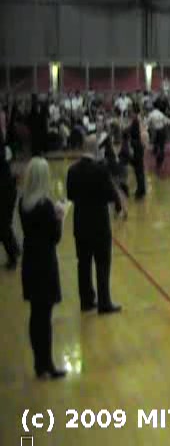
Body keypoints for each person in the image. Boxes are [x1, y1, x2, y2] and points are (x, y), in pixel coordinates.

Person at [19, 158, 67, 379]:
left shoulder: (24, 203)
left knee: (35, 314)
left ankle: (39, 362)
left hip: (30, 261)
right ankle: (47, 363)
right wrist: (60, 218)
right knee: (45, 317)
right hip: (45, 263)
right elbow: (54, 237)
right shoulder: (45, 205)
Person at [66, 134, 124, 314]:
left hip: (80, 224)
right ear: (96, 150)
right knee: (102, 263)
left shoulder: (72, 170)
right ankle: (104, 302)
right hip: (99, 225)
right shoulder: (101, 170)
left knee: (83, 264)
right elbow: (110, 195)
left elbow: (70, 195)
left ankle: (86, 300)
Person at [1, 111, 20, 270]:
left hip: (5, 189)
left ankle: (13, 254)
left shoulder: (5, 143)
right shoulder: (4, 144)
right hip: (8, 187)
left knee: (3, 225)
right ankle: (15, 249)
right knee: (5, 223)